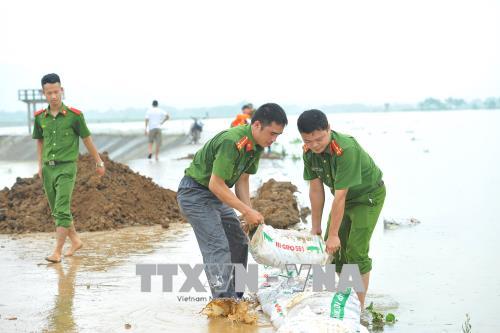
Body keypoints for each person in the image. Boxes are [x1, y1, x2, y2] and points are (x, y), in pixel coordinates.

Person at [177, 103, 288, 299]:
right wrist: (247, 211)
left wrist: (248, 213)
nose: (274, 139)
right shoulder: (232, 141)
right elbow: (216, 184)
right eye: (272, 133)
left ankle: (235, 297)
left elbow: (243, 180)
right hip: (194, 193)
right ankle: (223, 301)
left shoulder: (257, 145)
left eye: (278, 135)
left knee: (239, 241)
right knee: (217, 246)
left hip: (215, 194)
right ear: (257, 125)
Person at [297, 109, 385, 310]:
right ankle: (327, 301)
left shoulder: (346, 149)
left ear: (329, 128)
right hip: (343, 199)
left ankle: (358, 310)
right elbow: (316, 189)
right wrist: (316, 228)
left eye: (319, 139)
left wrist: (334, 235)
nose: (315, 145)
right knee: (327, 252)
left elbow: (340, 195)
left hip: (367, 197)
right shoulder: (309, 152)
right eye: (308, 141)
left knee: (354, 251)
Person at [32, 73, 105, 263]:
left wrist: (99, 161)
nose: (53, 96)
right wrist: (40, 166)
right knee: (56, 210)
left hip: (67, 167)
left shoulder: (75, 116)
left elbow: (87, 139)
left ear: (61, 90)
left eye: (56, 92)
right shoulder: (40, 118)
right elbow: (39, 141)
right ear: (44, 93)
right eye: (49, 93)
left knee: (62, 209)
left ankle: (57, 251)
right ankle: (75, 240)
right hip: (48, 169)